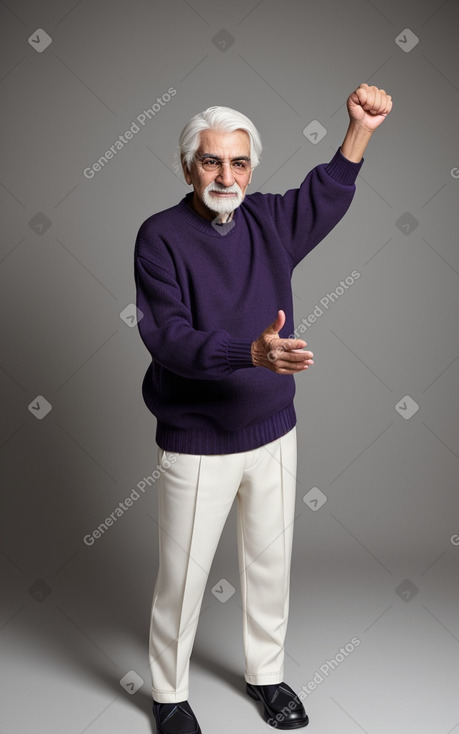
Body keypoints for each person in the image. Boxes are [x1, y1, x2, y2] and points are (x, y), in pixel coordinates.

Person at [134, 83, 392, 734]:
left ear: (252, 168)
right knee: (181, 579)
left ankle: (266, 677)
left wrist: (359, 129)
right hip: (197, 439)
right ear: (188, 165)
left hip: (273, 431)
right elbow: (165, 337)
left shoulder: (270, 222)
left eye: (240, 162)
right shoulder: (159, 237)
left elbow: (325, 193)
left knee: (268, 566)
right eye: (212, 161)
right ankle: (168, 692)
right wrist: (248, 353)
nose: (227, 175)